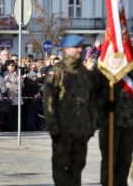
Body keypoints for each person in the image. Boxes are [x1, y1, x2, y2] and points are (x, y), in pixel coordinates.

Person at [43, 35, 96, 186]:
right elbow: (49, 102)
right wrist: (54, 128)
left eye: (81, 47)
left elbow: (90, 100)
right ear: (66, 49)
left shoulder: (84, 71)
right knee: (61, 169)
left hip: (82, 130)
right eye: (76, 47)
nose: (80, 50)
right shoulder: (57, 71)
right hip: (63, 130)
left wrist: (91, 126)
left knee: (78, 167)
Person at [95, 70, 133, 186]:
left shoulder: (130, 73)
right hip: (110, 124)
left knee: (125, 161)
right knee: (109, 161)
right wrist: (103, 104)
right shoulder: (104, 71)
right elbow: (92, 95)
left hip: (129, 124)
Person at [4, 59, 23, 131]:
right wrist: (18, 86)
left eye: (14, 65)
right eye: (12, 65)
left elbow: (21, 82)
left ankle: (17, 127)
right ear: (7, 66)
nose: (13, 67)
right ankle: (11, 127)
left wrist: (21, 85)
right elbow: (7, 84)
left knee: (17, 113)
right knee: (11, 113)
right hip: (11, 95)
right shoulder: (5, 74)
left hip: (18, 96)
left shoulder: (17, 73)